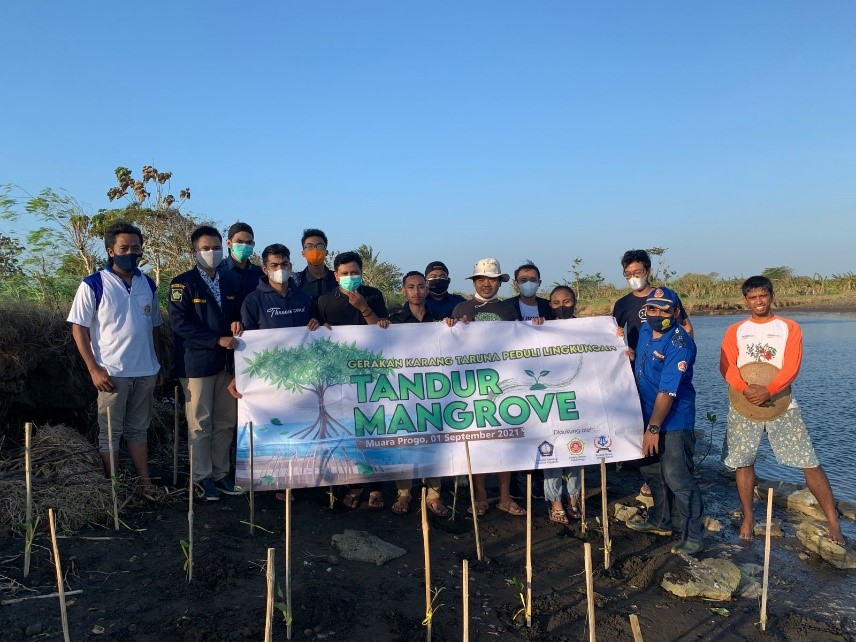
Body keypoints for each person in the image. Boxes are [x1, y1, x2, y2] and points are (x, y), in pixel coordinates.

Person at [720, 276, 845, 546]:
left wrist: (770, 389)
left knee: (808, 460)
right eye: (752, 297)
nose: (758, 301)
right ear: (746, 301)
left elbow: (792, 365)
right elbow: (727, 366)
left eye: (762, 296)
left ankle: (833, 521)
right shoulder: (735, 330)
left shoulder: (789, 327)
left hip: (782, 401)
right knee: (743, 461)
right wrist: (745, 389)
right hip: (743, 403)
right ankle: (749, 518)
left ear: (771, 295)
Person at [68, 222, 163, 494]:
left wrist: (158, 363)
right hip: (111, 372)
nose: (131, 253)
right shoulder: (93, 284)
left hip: (145, 370)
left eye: (136, 247)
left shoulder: (148, 284)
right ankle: (114, 488)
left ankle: (144, 483)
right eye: (124, 248)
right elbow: (79, 328)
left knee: (138, 429)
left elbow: (155, 325)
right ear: (111, 251)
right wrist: (94, 369)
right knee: (110, 433)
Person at [447, 258, 543, 517]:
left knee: (504, 440)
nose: (486, 284)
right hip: (471, 386)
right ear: (474, 282)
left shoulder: (509, 310)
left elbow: (521, 343)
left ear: (499, 282)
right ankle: (480, 496)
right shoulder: (460, 308)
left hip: (503, 384)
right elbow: (449, 347)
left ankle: (504, 496)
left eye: (491, 279)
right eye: (481, 279)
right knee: (475, 441)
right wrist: (449, 327)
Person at [625, 287, 705, 556]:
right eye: (652, 309)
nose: (657, 314)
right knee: (650, 471)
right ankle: (661, 519)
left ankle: (693, 534)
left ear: (676, 312)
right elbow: (643, 361)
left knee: (677, 477)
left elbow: (667, 393)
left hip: (672, 421)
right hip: (644, 415)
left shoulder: (680, 344)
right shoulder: (646, 331)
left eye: (664, 310)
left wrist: (653, 429)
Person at [170, 225, 244, 502]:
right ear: (194, 251)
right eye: (205, 248)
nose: (212, 253)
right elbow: (179, 324)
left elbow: (234, 316)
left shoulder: (228, 282)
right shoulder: (182, 283)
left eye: (216, 248)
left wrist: (238, 325)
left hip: (226, 364)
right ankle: (201, 477)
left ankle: (220, 473)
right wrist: (216, 340)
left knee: (225, 421)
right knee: (200, 424)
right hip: (197, 364)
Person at [613, 249, 692, 498]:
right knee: (648, 451)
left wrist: (683, 358)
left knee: (676, 466)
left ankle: (688, 527)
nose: (634, 276)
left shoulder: (668, 298)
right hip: (638, 372)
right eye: (628, 273)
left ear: (648, 270)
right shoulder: (624, 305)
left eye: (638, 272)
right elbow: (612, 336)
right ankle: (654, 495)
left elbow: (687, 327)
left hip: (667, 369)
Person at [316, 250, 389, 509]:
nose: (350, 277)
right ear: (336, 276)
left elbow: (381, 329)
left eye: (355, 273)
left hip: (372, 372)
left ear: (362, 273)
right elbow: (319, 336)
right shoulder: (325, 300)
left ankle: (376, 486)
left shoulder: (374, 295)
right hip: (341, 376)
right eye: (345, 274)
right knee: (348, 425)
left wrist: (364, 308)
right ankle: (353, 483)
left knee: (374, 424)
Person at [387, 271, 449, 517]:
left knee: (433, 441)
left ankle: (434, 494)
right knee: (405, 441)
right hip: (402, 391)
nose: (416, 291)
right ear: (403, 291)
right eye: (410, 287)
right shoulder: (393, 322)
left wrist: (453, 329)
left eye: (421, 286)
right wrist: (381, 328)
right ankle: (404, 493)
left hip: (432, 390)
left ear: (427, 289)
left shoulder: (439, 320)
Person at [543, 284, 582, 522]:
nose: (561, 307)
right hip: (550, 400)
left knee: (577, 449)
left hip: (577, 399)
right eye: (556, 303)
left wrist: (616, 341)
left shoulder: (588, 329)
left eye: (566, 302)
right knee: (551, 450)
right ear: (550, 305)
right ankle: (555, 500)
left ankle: (574, 498)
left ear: (574, 302)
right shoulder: (543, 329)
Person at [240, 243, 320, 332]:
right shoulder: (252, 301)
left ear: (290, 266)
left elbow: (315, 328)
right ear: (265, 270)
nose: (280, 269)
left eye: (284, 264)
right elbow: (249, 337)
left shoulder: (304, 298)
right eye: (274, 265)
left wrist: (317, 324)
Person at [218, 221, 263, 310]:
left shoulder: (260, 274)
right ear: (229, 243)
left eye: (248, 242)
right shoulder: (218, 272)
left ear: (253, 244)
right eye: (239, 242)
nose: (244, 245)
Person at [292, 228, 338, 303]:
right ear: (303, 253)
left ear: (326, 252)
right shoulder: (295, 282)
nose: (315, 250)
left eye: (319, 246)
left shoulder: (337, 279)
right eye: (309, 246)